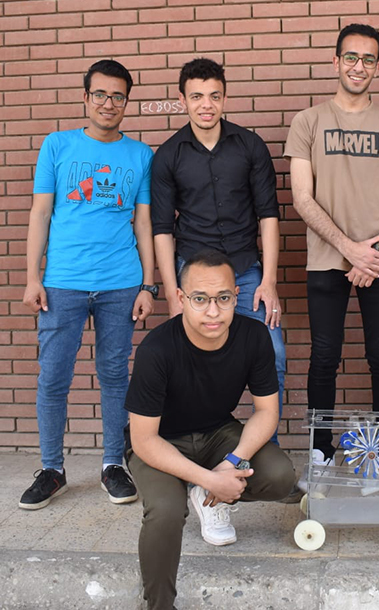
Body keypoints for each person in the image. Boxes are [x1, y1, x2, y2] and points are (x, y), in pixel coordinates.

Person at [19, 59, 157, 510]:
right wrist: (33, 277)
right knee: (54, 376)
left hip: (121, 283)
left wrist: (148, 285)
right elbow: (41, 213)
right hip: (63, 283)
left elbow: (144, 223)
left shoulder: (141, 155)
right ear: (85, 97)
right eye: (100, 94)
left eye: (118, 96)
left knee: (115, 375)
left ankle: (113, 464)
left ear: (126, 103)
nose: (108, 103)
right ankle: (51, 469)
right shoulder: (57, 146)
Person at [125, 250, 295, 610]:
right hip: (161, 442)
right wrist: (208, 478)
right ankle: (158, 606)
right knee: (166, 512)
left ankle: (208, 490)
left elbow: (267, 412)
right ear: (181, 298)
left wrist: (233, 461)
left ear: (237, 295)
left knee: (280, 475)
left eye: (223, 298)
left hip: (218, 433)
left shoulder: (254, 336)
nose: (213, 311)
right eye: (200, 299)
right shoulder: (157, 349)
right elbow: (143, 438)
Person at [285, 23, 379, 463]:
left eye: (368, 59)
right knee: (324, 356)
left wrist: (374, 253)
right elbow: (302, 198)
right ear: (336, 61)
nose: (359, 66)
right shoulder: (308, 121)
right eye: (351, 57)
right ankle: (320, 451)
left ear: (377, 66)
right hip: (327, 260)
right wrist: (349, 249)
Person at [150, 57, 285, 439]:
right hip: (192, 276)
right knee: (186, 364)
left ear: (225, 98)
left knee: (273, 354)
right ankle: (192, 447)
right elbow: (162, 229)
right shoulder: (168, 155)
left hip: (245, 271)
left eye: (214, 96)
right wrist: (173, 295)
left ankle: (267, 449)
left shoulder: (250, 146)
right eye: (197, 96)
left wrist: (269, 281)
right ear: (182, 100)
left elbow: (268, 216)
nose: (206, 105)